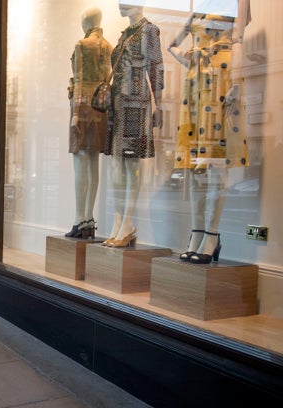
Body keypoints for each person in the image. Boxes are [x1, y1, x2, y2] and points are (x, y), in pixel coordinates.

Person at [168, 0, 251, 264]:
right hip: (195, 81)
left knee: (216, 162)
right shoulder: (199, 6)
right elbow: (172, 44)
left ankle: (212, 235)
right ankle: (196, 232)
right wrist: (189, 59)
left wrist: (236, 83)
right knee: (194, 165)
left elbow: (238, 40)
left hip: (221, 77)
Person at [103, 2, 164, 248]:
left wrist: (159, 103)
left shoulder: (149, 31)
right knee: (117, 166)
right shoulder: (124, 34)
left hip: (136, 104)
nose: (120, 3)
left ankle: (128, 222)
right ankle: (118, 222)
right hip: (118, 105)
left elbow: (156, 68)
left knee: (130, 164)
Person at [66, 6, 112, 239]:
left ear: (86, 21)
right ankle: (88, 218)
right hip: (101, 109)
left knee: (80, 162)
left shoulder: (82, 45)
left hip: (83, 107)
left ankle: (79, 218)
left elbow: (81, 79)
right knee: (93, 161)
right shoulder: (108, 46)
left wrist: (75, 113)